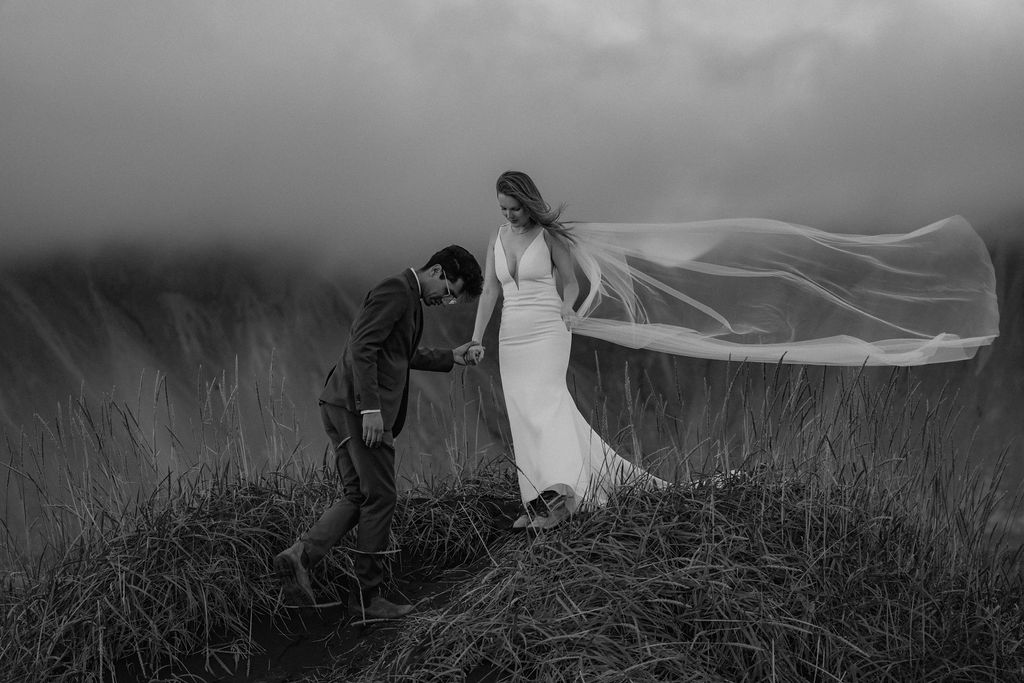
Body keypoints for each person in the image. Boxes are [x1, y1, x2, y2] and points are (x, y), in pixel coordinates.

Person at [275, 245, 483, 620]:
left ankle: (300, 557)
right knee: (382, 497)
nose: (445, 301)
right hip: (358, 409)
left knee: (359, 494)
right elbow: (363, 346)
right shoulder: (395, 290)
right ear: (437, 270)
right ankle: (367, 598)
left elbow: (398, 353)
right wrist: (371, 409)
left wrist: (451, 355)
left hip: (339, 403)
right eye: (449, 292)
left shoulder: (407, 297)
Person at [468, 171, 664, 532]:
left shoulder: (550, 237)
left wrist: (567, 307)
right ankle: (540, 497)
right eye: (503, 208)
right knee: (522, 411)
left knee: (548, 404)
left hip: (549, 329)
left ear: (528, 203)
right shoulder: (496, 238)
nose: (508, 215)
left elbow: (571, 284)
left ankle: (564, 496)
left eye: (514, 208)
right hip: (511, 337)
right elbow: (490, 291)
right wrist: (478, 338)